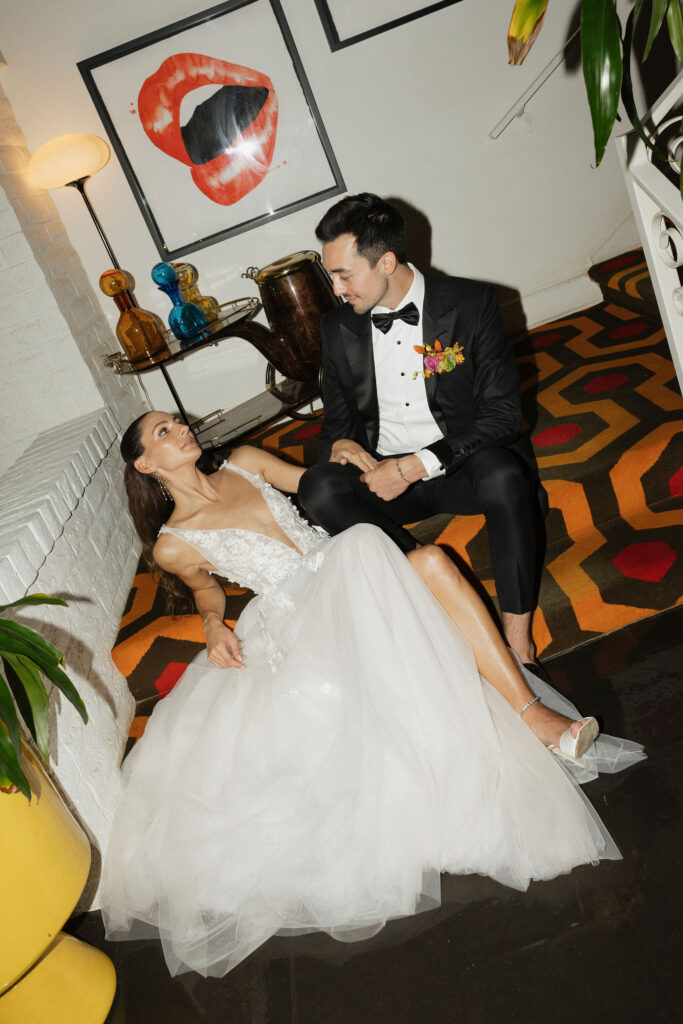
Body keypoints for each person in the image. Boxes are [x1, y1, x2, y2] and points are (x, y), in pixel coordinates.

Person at [100, 411, 645, 979]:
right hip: (298, 617)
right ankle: (534, 717)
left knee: (428, 558)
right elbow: (206, 589)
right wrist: (213, 624)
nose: (180, 430)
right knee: (370, 544)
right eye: (163, 432)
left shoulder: (246, 462)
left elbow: (319, 487)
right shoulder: (172, 543)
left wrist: (348, 454)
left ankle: (534, 717)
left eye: (176, 423)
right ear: (145, 464)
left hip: (351, 576)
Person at [298, 192, 548, 679]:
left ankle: (519, 642)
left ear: (386, 261)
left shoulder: (471, 304)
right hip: (384, 481)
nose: (335, 288)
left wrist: (416, 465)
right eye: (331, 275)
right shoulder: (337, 328)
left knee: (503, 473)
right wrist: (339, 446)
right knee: (317, 488)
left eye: (344, 274)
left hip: (460, 465)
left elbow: (503, 415)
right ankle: (430, 583)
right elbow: (337, 426)